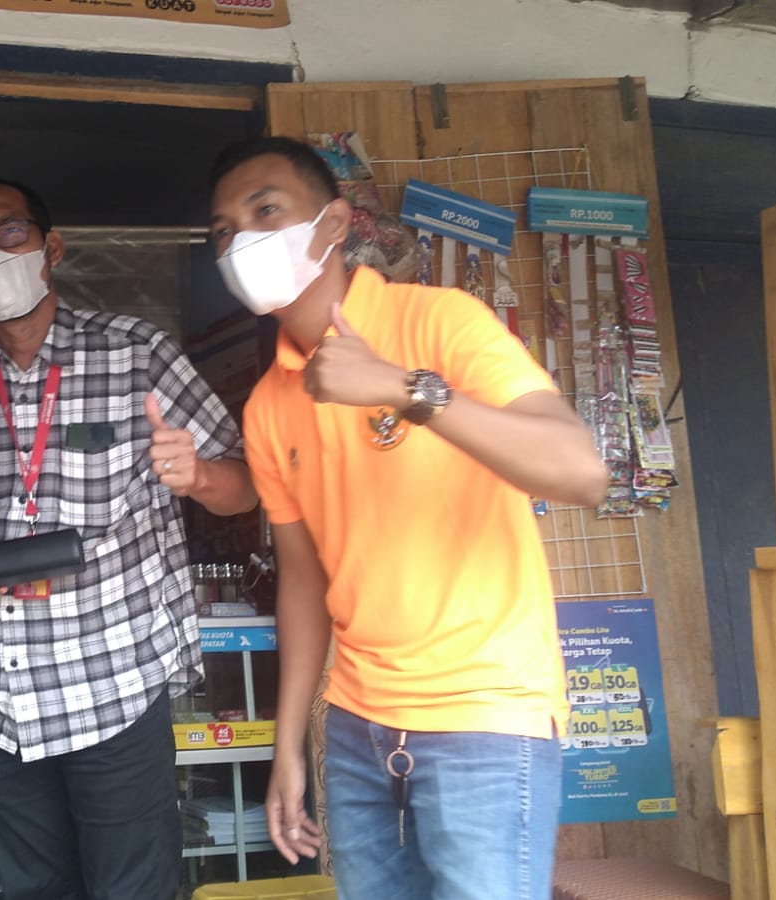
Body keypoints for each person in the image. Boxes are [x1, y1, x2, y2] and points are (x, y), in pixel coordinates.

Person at [208, 136, 610, 899]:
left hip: (485, 715)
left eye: (265, 212)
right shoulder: (266, 406)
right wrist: (287, 746)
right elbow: (303, 582)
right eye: (224, 231)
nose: (241, 242)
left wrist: (403, 388)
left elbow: (581, 471)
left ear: (333, 224)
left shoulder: (439, 322)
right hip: (357, 728)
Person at [0, 176, 259, 900]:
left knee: (133, 890)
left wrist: (196, 475)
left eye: (11, 233)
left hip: (113, 687)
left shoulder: (138, 355)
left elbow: (246, 483)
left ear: (52, 248)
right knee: (33, 889)